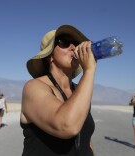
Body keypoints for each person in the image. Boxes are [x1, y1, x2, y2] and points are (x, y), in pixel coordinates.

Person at [20, 24, 96, 156]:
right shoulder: (33, 87)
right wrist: (89, 71)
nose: (73, 47)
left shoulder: (79, 89)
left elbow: (86, 140)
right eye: (65, 42)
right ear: (50, 56)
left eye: (76, 43)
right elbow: (67, 126)